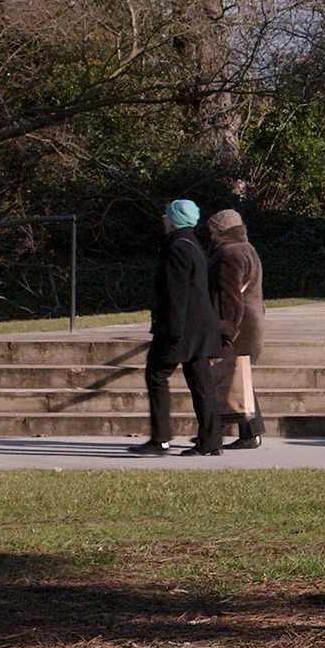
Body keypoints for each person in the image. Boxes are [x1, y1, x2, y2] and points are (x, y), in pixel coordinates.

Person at [139, 196, 211, 457]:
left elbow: (176, 295)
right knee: (201, 383)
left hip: (180, 329)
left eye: (167, 214)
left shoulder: (177, 247)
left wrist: (171, 332)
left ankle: (160, 439)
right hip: (198, 329)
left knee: (156, 375)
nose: (163, 218)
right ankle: (210, 440)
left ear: (175, 219)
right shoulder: (192, 244)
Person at [199, 204, 268, 452]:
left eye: (212, 230)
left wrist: (225, 329)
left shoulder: (229, 254)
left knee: (224, 377)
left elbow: (230, 297)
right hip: (252, 323)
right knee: (240, 378)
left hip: (239, 325)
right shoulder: (248, 249)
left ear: (219, 230)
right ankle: (250, 432)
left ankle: (214, 434)